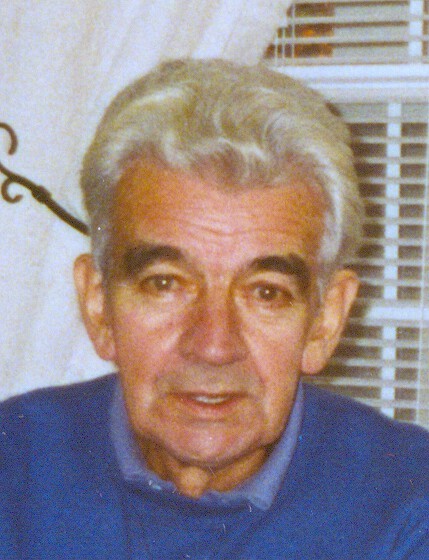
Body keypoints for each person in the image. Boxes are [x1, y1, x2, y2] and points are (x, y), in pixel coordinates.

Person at [1, 59, 428, 560]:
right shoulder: (13, 470)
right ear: (98, 305)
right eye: (165, 283)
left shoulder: (409, 505)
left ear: (325, 321)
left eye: (266, 293)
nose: (213, 346)